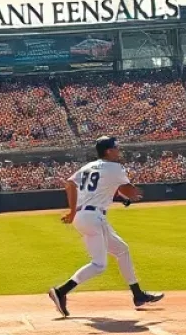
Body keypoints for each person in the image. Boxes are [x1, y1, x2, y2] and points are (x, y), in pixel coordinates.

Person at [47, 136, 163, 318]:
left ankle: (138, 295)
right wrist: (131, 194)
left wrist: (71, 212)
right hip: (94, 217)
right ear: (108, 151)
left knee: (122, 250)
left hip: (85, 215)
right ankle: (61, 291)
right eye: (116, 148)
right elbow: (128, 189)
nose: (119, 150)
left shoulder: (88, 167)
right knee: (99, 265)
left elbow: (70, 184)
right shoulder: (115, 167)